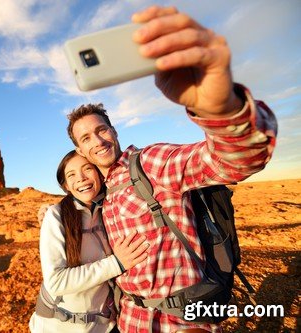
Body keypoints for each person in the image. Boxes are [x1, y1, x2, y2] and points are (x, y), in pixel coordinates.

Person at [65, 5, 278, 333]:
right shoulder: (98, 194)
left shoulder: (150, 164)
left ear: (114, 130)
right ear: (80, 150)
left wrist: (221, 109)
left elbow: (233, 160)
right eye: (86, 138)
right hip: (130, 320)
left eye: (101, 130)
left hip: (183, 320)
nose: (98, 141)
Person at [29, 150, 150, 333]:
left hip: (105, 326)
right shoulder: (56, 216)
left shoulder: (109, 210)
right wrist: (116, 263)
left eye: (87, 169)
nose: (81, 178)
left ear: (99, 174)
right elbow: (56, 281)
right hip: (58, 328)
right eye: (71, 175)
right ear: (66, 186)